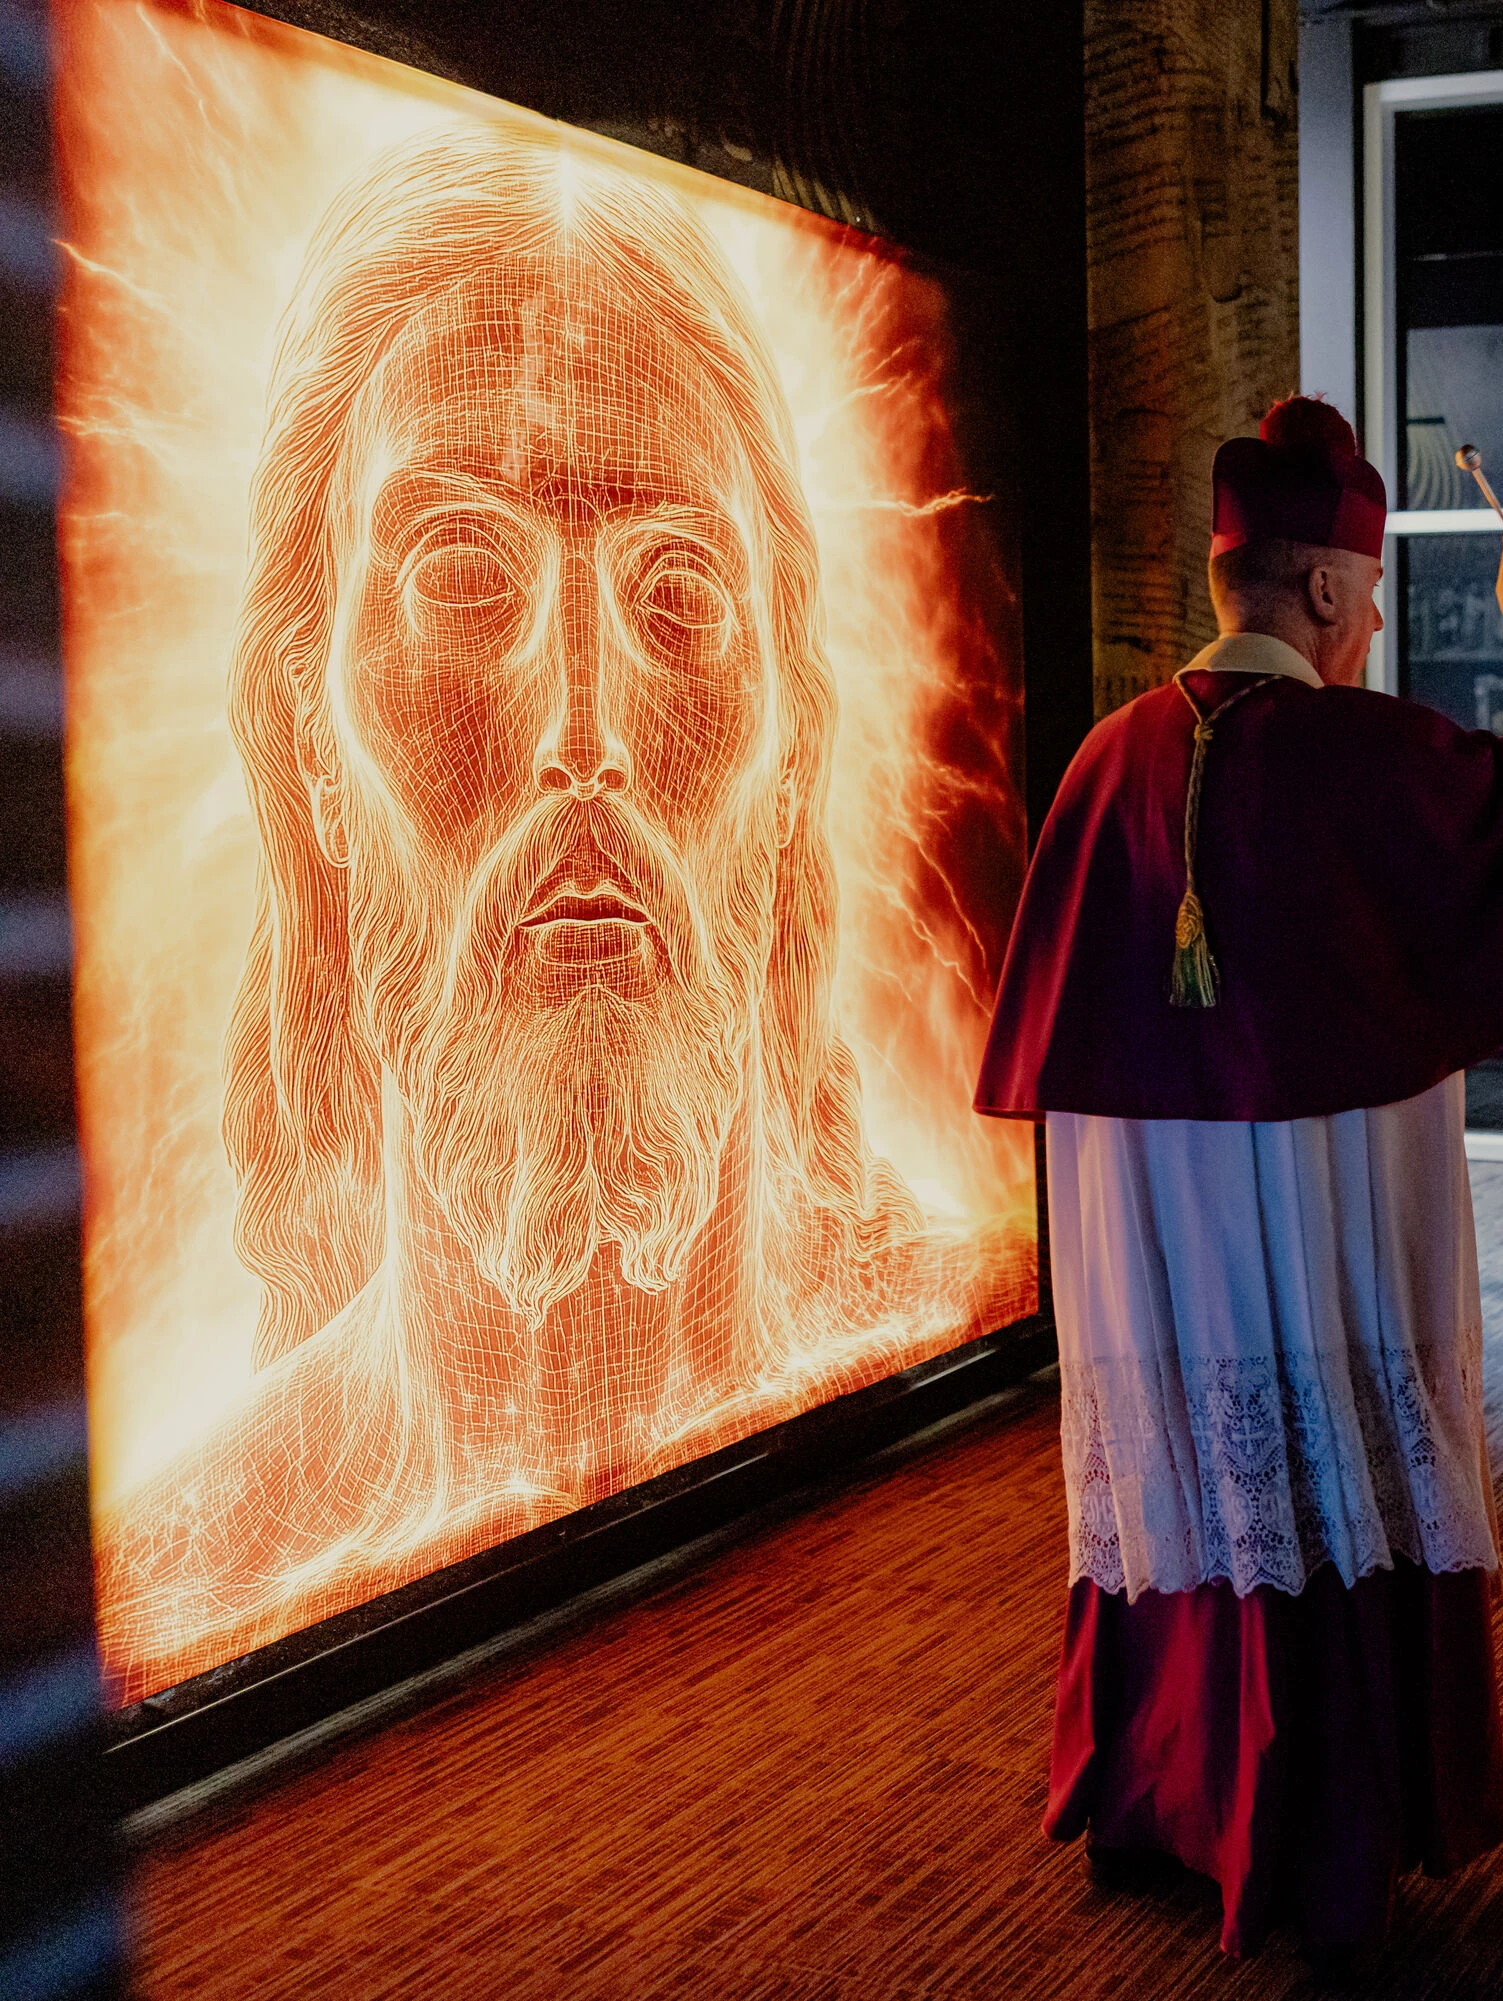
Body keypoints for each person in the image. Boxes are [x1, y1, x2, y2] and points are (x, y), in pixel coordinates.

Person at [97, 126, 1019, 1700]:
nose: (580, 729)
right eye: (463, 575)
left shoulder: (979, 1302)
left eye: (677, 592)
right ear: (310, 742)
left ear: (793, 749)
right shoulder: (174, 1580)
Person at [974, 395, 1503, 1969]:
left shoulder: (1106, 759)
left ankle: (1163, 1791)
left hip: (1150, 1229)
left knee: (1192, 1469)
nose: (1367, 627)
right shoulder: (1369, 754)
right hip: (1308, 1208)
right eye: (1370, 600)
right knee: (1323, 1450)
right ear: (1333, 592)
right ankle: (1317, 1819)